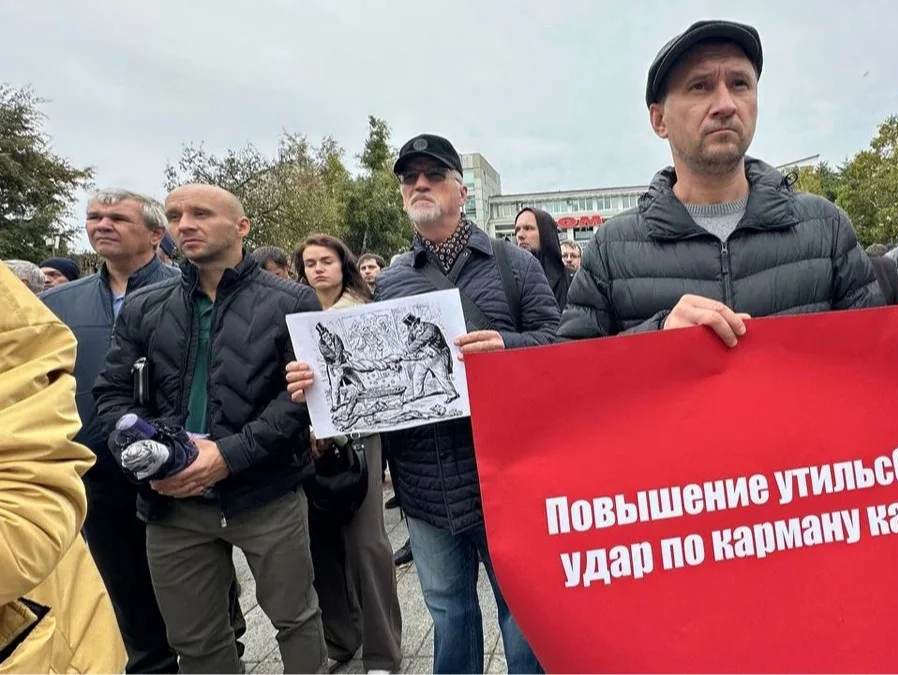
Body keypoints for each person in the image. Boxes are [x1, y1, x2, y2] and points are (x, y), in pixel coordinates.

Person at [286, 133, 559, 675]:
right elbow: (370, 373)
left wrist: (508, 347)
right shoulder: (389, 283)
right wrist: (318, 387)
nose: (420, 185)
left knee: (522, 610)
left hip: (507, 474)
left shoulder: (515, 265)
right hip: (423, 480)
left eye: (433, 175)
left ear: (462, 191)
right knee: (447, 611)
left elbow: (559, 343)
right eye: (410, 178)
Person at [93, 183, 326, 674]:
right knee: (195, 640)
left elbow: (303, 399)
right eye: (176, 215)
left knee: (296, 619)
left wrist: (227, 456)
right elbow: (111, 395)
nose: (185, 224)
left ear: (241, 227)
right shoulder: (145, 305)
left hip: (264, 491)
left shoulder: (290, 300)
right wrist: (147, 454)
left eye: (201, 213)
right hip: (171, 501)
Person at [559, 20, 879, 343]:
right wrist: (657, 337)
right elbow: (571, 366)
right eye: (700, 86)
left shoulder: (826, 229)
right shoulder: (611, 250)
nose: (726, 104)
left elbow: (877, 353)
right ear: (659, 120)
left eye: (740, 84)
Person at [42, 188, 232, 675]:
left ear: (154, 233)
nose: (103, 225)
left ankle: (223, 649)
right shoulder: (58, 304)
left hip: (181, 467)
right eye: (94, 217)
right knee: (127, 590)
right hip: (99, 471)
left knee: (205, 585)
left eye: (117, 218)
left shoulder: (194, 290)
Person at [0, 264, 125, 674]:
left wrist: (232, 453)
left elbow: (26, 520)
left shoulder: (19, 322)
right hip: (99, 474)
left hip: (215, 476)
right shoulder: (67, 302)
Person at [292, 234, 404, 674]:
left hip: (358, 439)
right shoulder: (292, 313)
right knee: (319, 547)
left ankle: (383, 652)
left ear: (344, 266)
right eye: (310, 263)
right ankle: (340, 638)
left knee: (366, 544)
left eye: (327, 261)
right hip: (306, 445)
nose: (318, 268)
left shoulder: (360, 312)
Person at [514, 207, 570, 309]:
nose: (520, 235)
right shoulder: (510, 281)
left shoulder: (572, 281)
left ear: (545, 233)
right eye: (517, 230)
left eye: (528, 228)